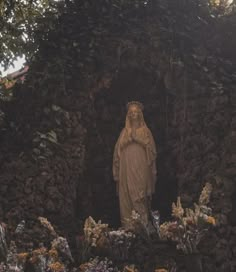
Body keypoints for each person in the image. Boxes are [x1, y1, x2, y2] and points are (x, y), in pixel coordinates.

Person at [113, 101, 157, 227]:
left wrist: (137, 139)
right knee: (126, 192)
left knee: (139, 193)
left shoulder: (145, 131)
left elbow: (152, 150)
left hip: (140, 165)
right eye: (131, 112)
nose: (133, 114)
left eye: (136, 112)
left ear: (140, 114)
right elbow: (117, 151)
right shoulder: (124, 132)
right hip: (126, 166)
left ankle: (142, 225)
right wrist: (127, 141)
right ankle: (128, 225)